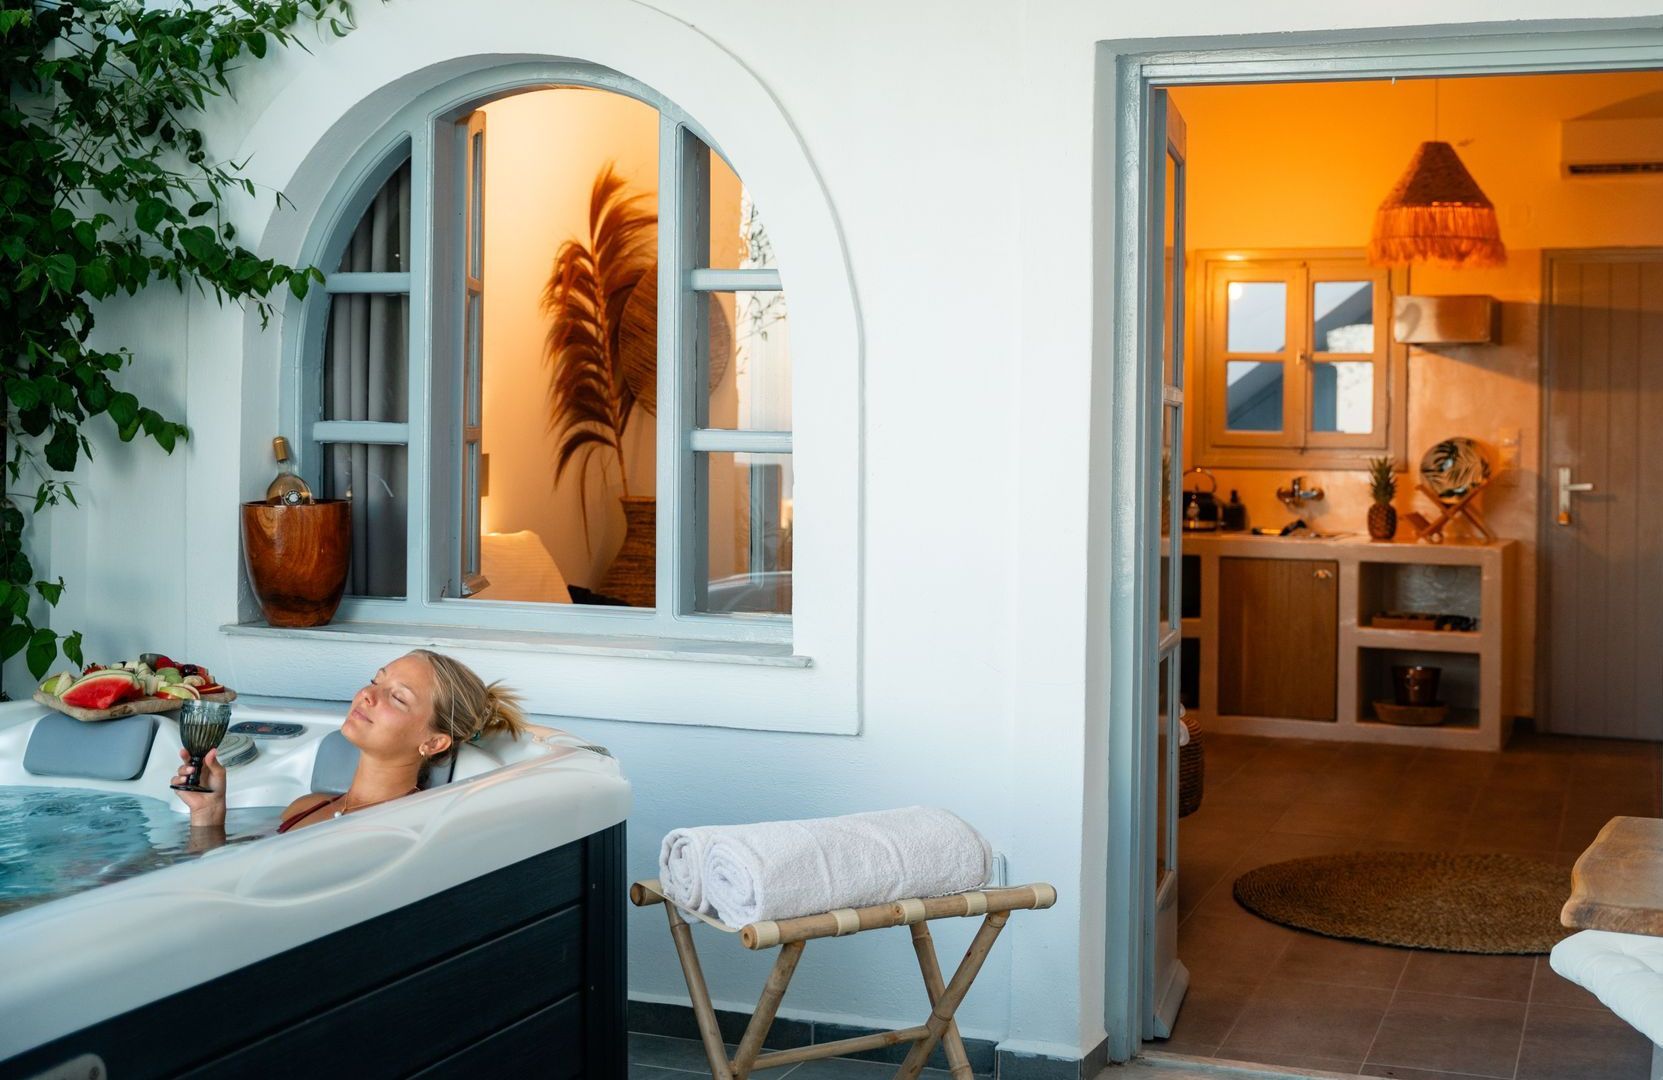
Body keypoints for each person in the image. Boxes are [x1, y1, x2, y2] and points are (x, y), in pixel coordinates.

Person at [174, 650, 527, 840]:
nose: (368, 695)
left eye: (398, 698)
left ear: (433, 742)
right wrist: (208, 815)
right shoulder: (304, 807)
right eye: (375, 681)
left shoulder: (409, 831)